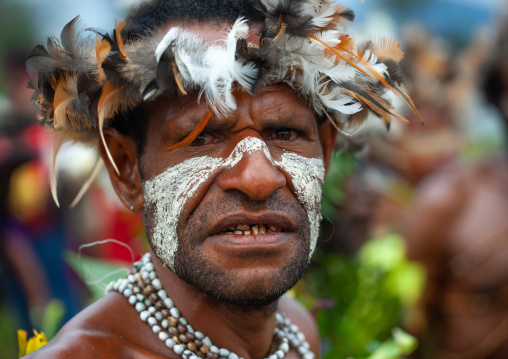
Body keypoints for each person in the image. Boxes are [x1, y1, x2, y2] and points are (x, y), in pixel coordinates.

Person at [24, 0, 415, 357]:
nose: (259, 178)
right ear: (128, 170)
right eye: (202, 138)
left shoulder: (296, 332)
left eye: (284, 133)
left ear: (326, 152)